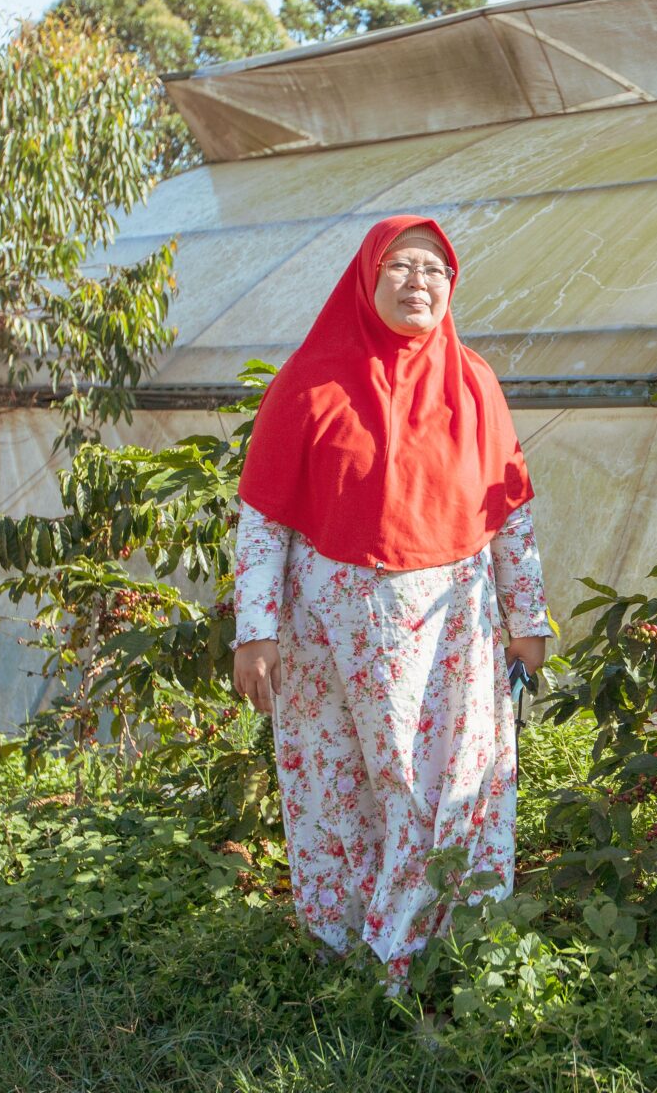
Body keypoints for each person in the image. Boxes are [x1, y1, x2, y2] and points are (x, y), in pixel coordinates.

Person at [231, 215, 552, 989]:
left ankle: (430, 954)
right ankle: (350, 951)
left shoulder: (474, 382)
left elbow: (509, 509)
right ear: (367, 278)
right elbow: (264, 518)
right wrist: (255, 632)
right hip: (331, 633)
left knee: (442, 783)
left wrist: (528, 618)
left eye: (436, 270)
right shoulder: (308, 383)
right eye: (402, 267)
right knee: (344, 786)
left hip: (452, 627)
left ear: (453, 286)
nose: (420, 282)